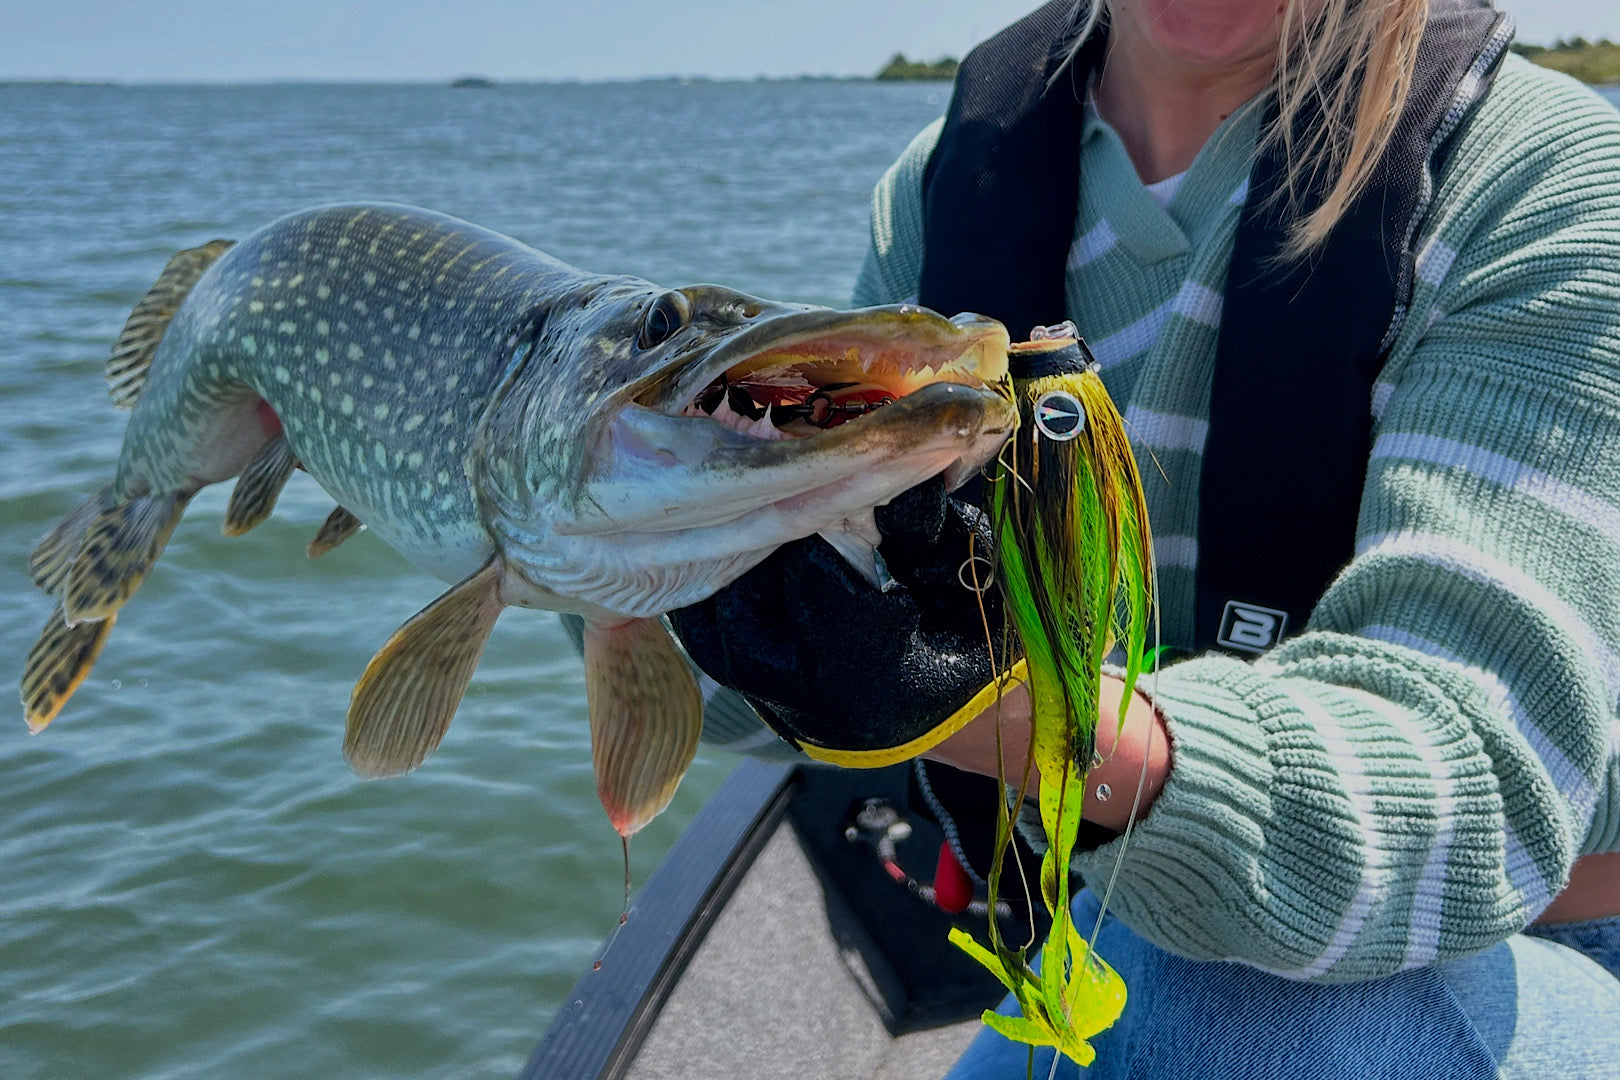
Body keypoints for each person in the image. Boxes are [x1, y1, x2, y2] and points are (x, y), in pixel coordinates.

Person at [669, 0, 1620, 1075]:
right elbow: (745, 707)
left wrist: (1008, 712)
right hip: (1105, 932)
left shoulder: (1548, 179)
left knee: (1238, 1014)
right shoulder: (940, 191)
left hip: (1531, 945)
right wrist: (629, 554)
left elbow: (1479, 806)